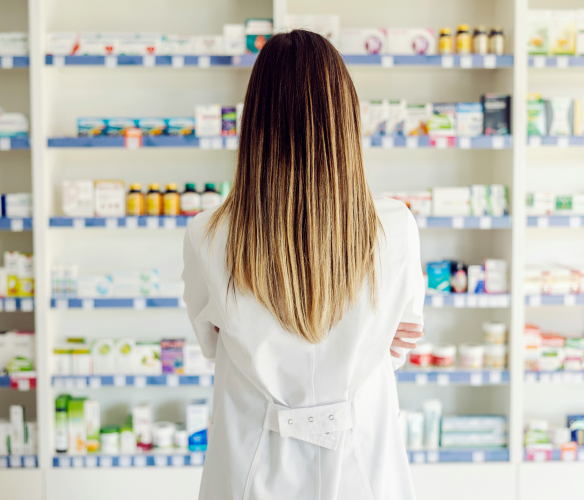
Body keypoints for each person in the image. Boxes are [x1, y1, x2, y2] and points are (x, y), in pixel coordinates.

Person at [181, 29, 425, 500]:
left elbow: (214, 344)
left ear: (254, 121)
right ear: (346, 118)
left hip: (253, 470)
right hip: (363, 470)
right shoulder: (394, 226)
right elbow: (398, 344)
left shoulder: (207, 233)